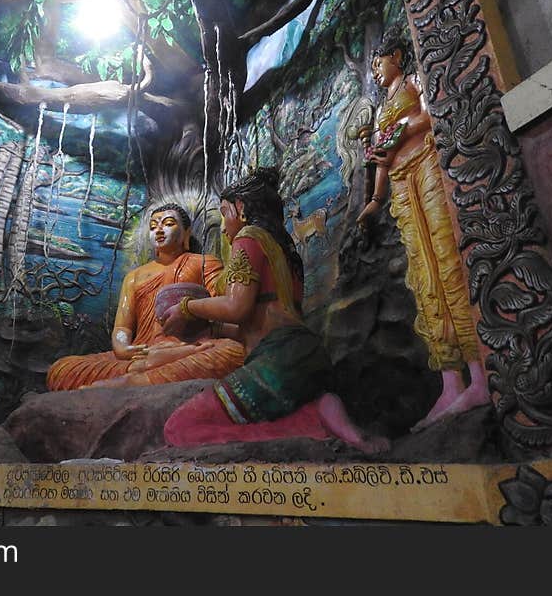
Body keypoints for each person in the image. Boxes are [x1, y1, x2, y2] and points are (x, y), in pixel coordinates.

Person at [161, 168, 389, 453]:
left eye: (223, 213)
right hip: (305, 354)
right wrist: (211, 329)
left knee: (179, 428)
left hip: (279, 361)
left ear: (240, 208)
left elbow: (236, 306)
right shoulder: (285, 249)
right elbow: (263, 319)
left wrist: (187, 307)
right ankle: (320, 409)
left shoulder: (248, 239)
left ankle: (312, 422)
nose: (221, 227)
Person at [356, 28, 488, 431]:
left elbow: (432, 114)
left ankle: (480, 373)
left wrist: (401, 131)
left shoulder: (414, 82)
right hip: (399, 183)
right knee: (424, 272)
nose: (376, 72)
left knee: (446, 256)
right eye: (374, 67)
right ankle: (451, 379)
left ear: (397, 56)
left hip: (426, 165)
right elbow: (381, 158)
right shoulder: (381, 111)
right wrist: (375, 200)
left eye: (379, 63)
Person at [45, 203, 245, 390]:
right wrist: (123, 349)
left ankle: (138, 376)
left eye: (168, 224)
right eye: (153, 226)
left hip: (191, 345)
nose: (159, 230)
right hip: (144, 353)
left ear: (186, 233)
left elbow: (221, 310)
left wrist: (191, 319)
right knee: (60, 369)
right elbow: (123, 327)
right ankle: (142, 368)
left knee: (232, 352)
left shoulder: (204, 263)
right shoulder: (134, 277)